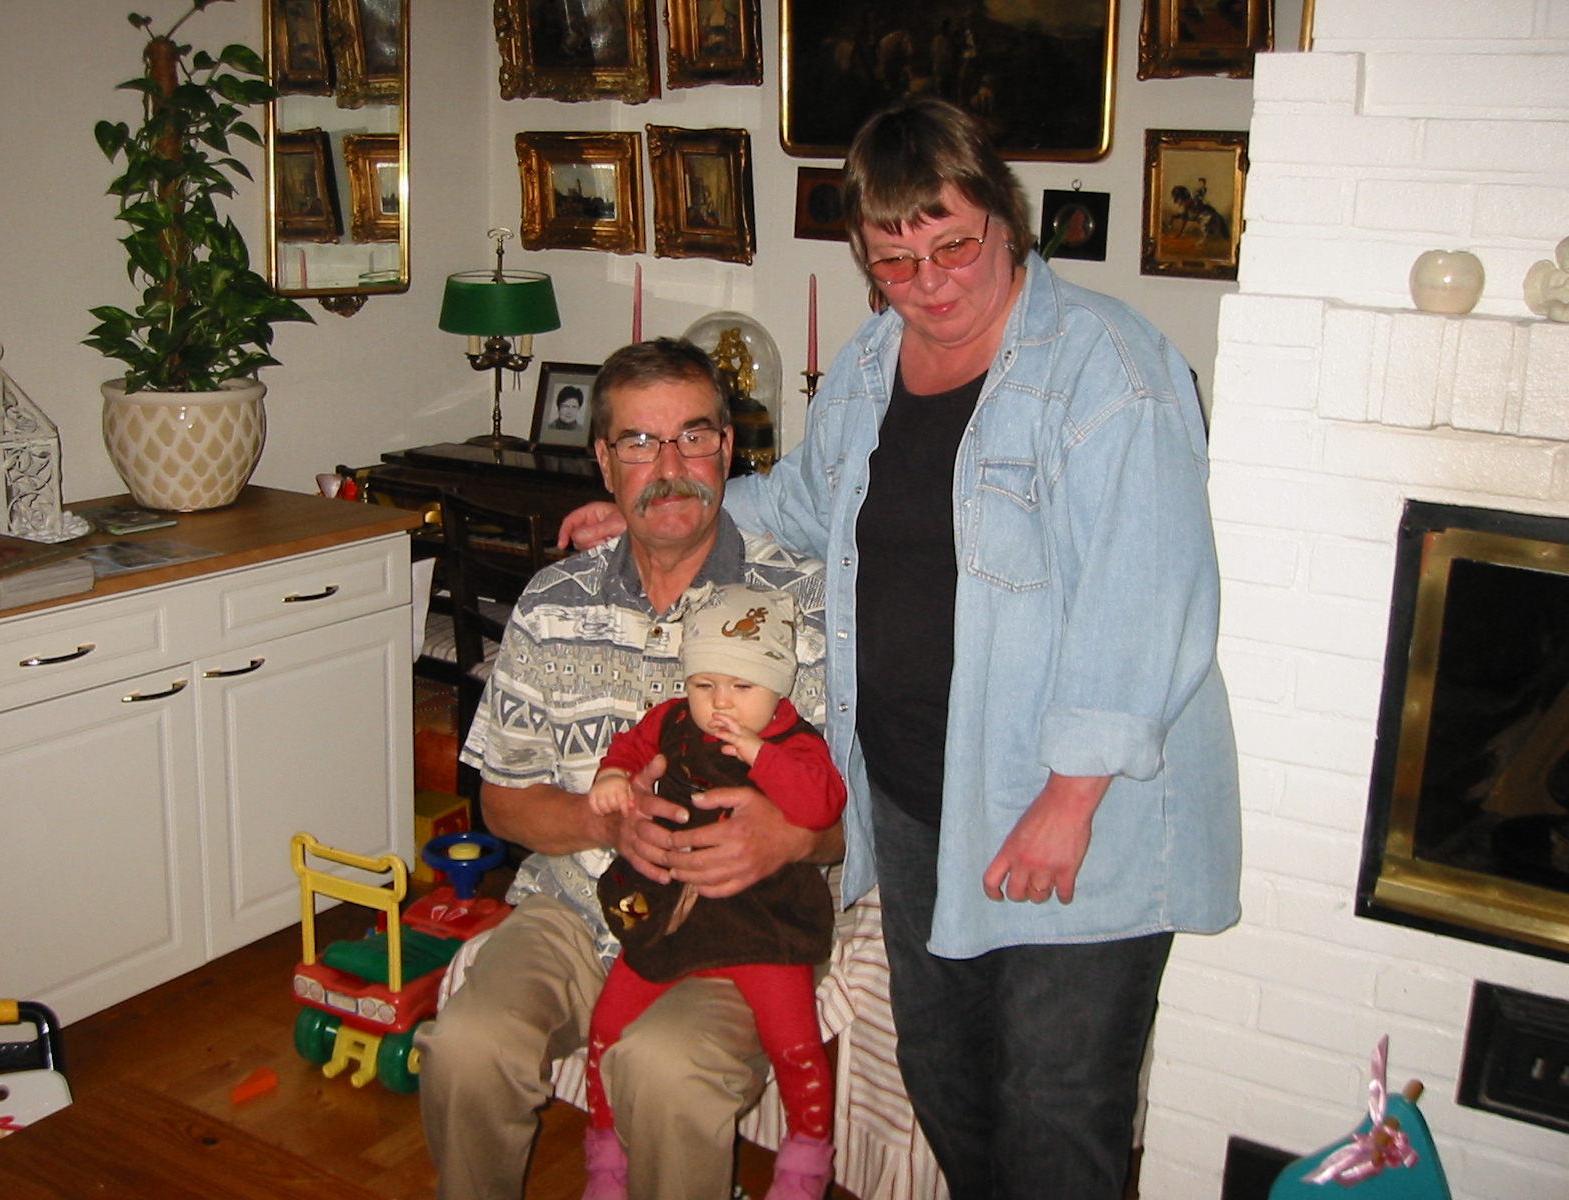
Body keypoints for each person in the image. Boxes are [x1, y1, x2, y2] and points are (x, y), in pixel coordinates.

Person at [560, 96, 1241, 1200]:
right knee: (944, 1068)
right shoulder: (875, 362)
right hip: (922, 799)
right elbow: (802, 500)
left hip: (1074, 806)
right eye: (894, 260)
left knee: (1057, 1101)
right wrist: (668, 509)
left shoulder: (1109, 370)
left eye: (953, 246)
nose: (930, 283)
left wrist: (1069, 798)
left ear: (1005, 219)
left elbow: (1149, 594)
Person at [416, 338, 840, 1200]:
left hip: (736, 927)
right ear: (605, 462)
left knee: (665, 1070)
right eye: (642, 443)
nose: (671, 468)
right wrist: (597, 822)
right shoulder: (552, 602)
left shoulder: (803, 603)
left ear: (728, 448)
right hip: (575, 904)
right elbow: (502, 801)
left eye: (693, 437)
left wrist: (791, 839)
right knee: (464, 1049)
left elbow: (858, 812)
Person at [583, 583, 845, 1200]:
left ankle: (805, 1165)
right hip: (671, 915)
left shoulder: (796, 743)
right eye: (704, 685)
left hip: (764, 924)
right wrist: (614, 776)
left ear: (778, 687)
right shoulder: (674, 721)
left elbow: (822, 804)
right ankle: (605, 1157)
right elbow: (632, 745)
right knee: (606, 1025)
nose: (720, 702)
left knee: (796, 1045)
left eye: (742, 687)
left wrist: (758, 754)